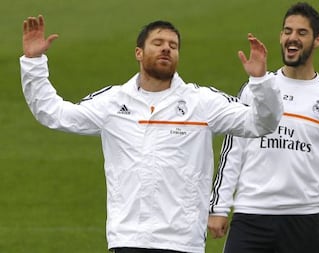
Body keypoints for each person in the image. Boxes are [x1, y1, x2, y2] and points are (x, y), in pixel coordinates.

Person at [20, 15, 284, 253]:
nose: (167, 48)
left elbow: (261, 124)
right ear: (138, 52)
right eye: (158, 42)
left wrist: (260, 83)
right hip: (129, 238)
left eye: (173, 45)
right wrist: (33, 62)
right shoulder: (113, 102)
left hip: (182, 242)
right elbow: (53, 114)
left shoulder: (201, 102)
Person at [208, 2, 319, 253]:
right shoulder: (256, 89)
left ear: (318, 40)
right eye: (287, 31)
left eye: (301, 33)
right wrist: (219, 207)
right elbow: (233, 151)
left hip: (303, 219)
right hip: (251, 216)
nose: (292, 38)